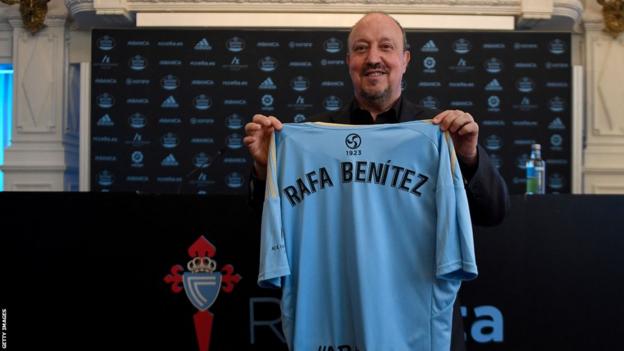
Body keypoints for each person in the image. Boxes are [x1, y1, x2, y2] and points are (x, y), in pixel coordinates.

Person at [244, 12, 510, 350]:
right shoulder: (307, 139)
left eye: (386, 47)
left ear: (405, 60)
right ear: (349, 62)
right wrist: (266, 170)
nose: (373, 58)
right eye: (361, 48)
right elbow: (269, 228)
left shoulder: (439, 133)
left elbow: (495, 211)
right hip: (336, 320)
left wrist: (469, 157)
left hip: (415, 326)